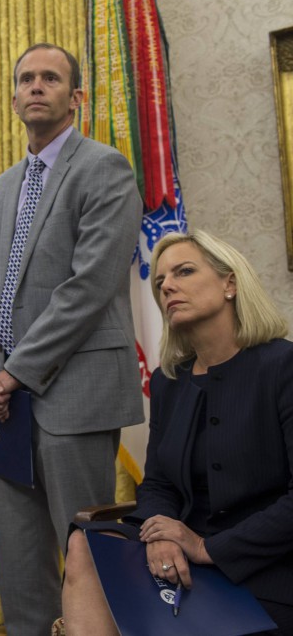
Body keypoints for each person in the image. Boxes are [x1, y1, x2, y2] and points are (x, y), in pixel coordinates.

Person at [0, 43, 144, 633]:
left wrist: (15, 372)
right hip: (1, 404)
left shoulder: (105, 168)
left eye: (50, 78)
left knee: (87, 558)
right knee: (19, 565)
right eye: (26, 79)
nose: (36, 86)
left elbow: (90, 286)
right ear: (14, 99)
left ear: (76, 97)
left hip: (74, 392)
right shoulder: (1, 187)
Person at [62, 230, 293, 635]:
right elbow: (158, 483)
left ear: (230, 284)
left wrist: (204, 547)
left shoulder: (283, 366)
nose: (167, 285)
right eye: (160, 281)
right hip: (180, 556)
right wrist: (161, 534)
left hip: (265, 564)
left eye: (184, 271)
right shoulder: (168, 381)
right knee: (84, 543)